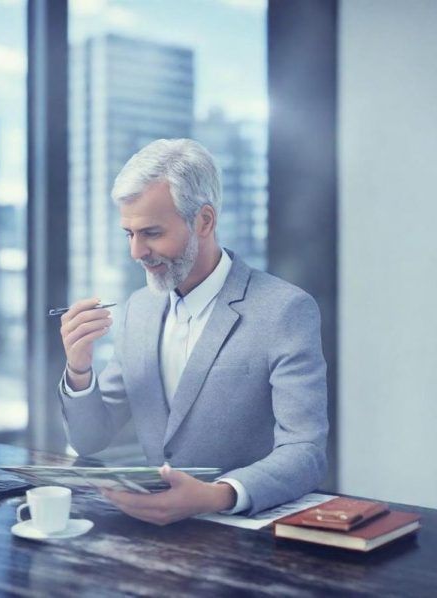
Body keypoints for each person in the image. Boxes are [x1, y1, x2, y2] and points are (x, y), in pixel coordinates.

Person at [58, 138, 328, 525]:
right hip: (155, 534)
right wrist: (79, 369)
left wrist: (217, 496)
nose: (136, 252)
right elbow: (90, 439)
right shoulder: (138, 309)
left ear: (204, 221)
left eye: (152, 233)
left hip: (244, 532)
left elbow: (306, 451)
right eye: (129, 234)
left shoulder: (285, 310)